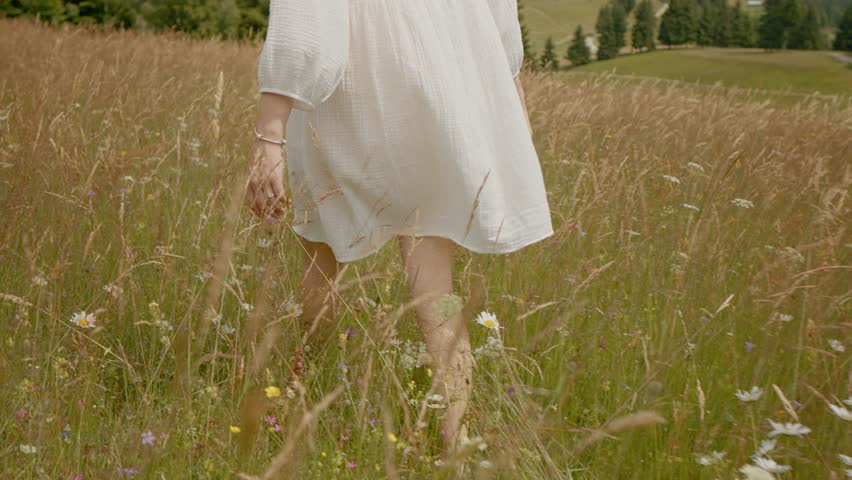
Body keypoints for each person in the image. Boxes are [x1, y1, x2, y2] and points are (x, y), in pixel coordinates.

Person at [245, 0, 553, 454]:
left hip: (356, 87)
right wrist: (514, 106)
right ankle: (455, 444)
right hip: (442, 83)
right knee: (433, 282)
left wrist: (270, 134)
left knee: (322, 251)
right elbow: (498, 16)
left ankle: (301, 393)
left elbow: (305, 18)